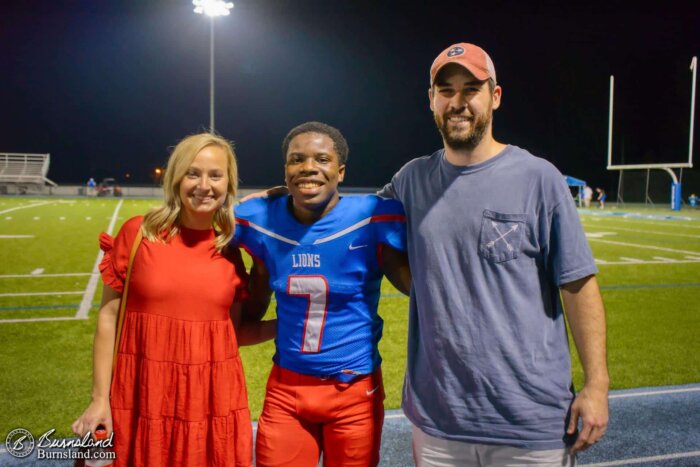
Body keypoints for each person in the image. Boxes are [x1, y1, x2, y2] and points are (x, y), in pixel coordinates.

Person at [376, 42, 609, 465]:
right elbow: (354, 223)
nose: (458, 102)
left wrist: (597, 384)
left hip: (529, 420)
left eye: (471, 89)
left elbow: (577, 283)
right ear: (431, 100)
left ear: (495, 97)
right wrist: (278, 201)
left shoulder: (539, 178)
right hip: (439, 422)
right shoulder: (412, 180)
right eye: (445, 90)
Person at [72, 133, 274, 466]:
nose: (203, 185)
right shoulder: (138, 233)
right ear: (175, 178)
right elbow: (108, 319)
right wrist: (99, 399)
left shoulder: (231, 251)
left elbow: (231, 335)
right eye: (193, 173)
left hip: (208, 404)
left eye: (215, 175)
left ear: (229, 183)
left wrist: (289, 325)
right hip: (142, 396)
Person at [233, 122, 410, 467]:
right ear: (285, 170)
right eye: (296, 160)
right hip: (286, 390)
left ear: (340, 171)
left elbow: (419, 283)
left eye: (322, 159)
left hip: (354, 390)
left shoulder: (373, 216)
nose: (308, 167)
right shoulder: (256, 218)